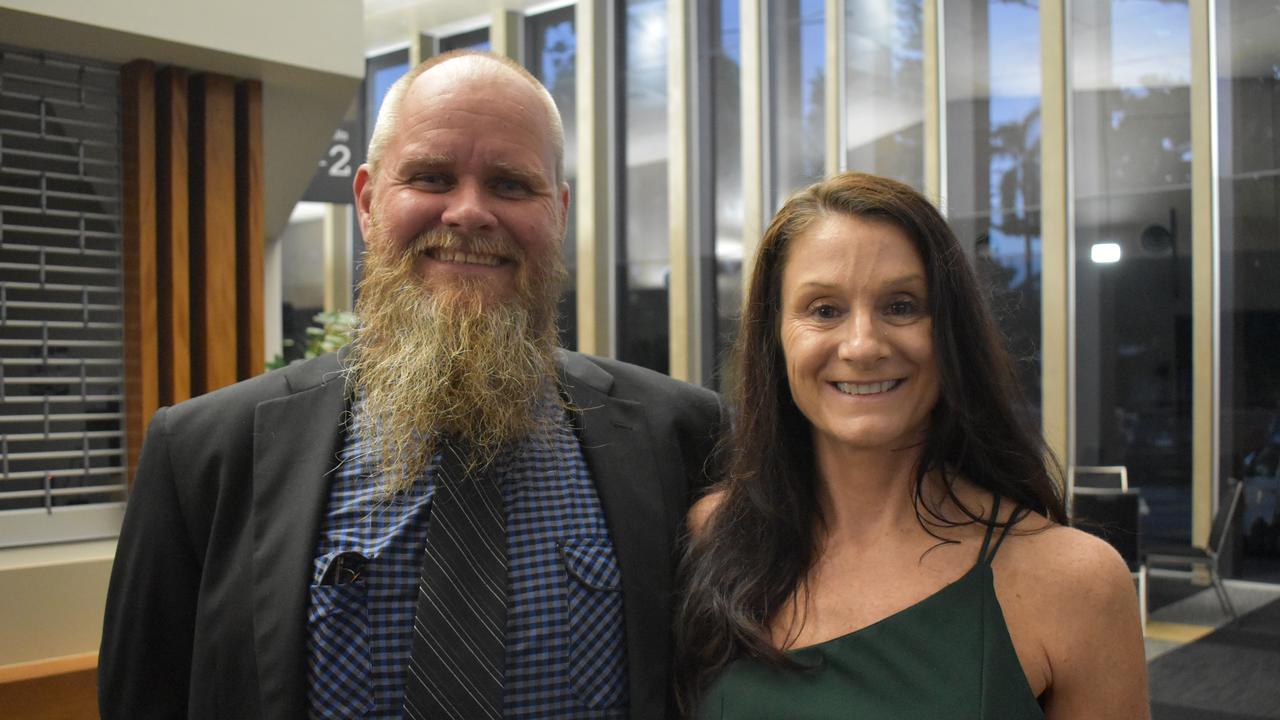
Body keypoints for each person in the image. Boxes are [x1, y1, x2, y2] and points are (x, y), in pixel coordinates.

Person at [99, 50, 724, 719]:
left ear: (559, 213)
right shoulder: (205, 456)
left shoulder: (682, 437)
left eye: (512, 185)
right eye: (431, 176)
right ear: (368, 202)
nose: (469, 212)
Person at [675, 173, 1148, 718]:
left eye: (901, 306)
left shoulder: (1074, 582)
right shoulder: (716, 535)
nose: (862, 346)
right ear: (774, 339)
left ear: (950, 331)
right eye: (824, 310)